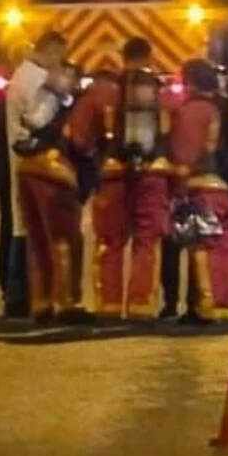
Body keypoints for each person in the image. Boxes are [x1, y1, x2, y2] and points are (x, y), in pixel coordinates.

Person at [67, 35, 171, 320]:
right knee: (147, 241)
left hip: (113, 175)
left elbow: (77, 136)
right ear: (149, 57)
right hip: (152, 176)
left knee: (110, 242)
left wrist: (96, 159)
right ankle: (142, 306)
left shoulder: (101, 92)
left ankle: (109, 307)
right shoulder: (161, 91)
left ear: (123, 59)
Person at [167, 59, 228, 322]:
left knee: (204, 246)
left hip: (202, 187)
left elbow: (185, 155)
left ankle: (207, 305)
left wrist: (176, 183)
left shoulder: (194, 110)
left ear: (190, 82)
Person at [14, 61, 89, 324]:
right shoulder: (72, 104)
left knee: (37, 241)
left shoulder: (42, 96)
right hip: (54, 169)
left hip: (27, 168)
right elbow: (80, 141)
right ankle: (67, 302)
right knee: (64, 239)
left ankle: (41, 302)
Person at [0, 29, 67, 317]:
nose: (60, 62)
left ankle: (16, 295)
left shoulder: (21, 75)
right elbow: (50, 108)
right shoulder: (37, 78)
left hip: (17, 157)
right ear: (50, 52)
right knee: (30, 228)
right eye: (59, 56)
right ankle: (21, 295)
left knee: (20, 224)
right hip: (30, 159)